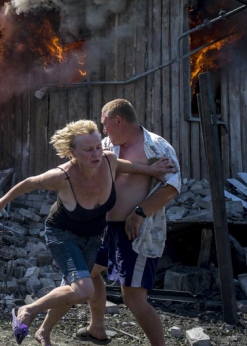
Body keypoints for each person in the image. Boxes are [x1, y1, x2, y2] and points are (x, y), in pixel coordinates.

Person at [0, 119, 174, 346]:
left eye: (98, 147)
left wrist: (150, 169)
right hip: (63, 235)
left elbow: (124, 165)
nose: (96, 154)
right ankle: (27, 310)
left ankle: (75, 330)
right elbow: (28, 183)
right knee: (82, 290)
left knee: (81, 284)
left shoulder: (109, 161)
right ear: (72, 152)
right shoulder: (61, 176)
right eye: (88, 150)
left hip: (93, 237)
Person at [87, 99, 181, 346]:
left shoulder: (157, 147)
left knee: (133, 298)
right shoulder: (107, 145)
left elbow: (172, 186)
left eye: (106, 124)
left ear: (118, 121)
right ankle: (96, 328)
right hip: (103, 229)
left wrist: (139, 212)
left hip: (136, 232)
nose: (104, 130)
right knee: (89, 273)